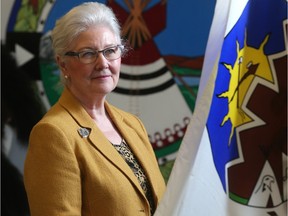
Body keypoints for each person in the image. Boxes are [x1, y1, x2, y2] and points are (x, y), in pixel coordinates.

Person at [24, 2, 166, 216]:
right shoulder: (53, 134)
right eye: (88, 54)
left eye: (110, 51)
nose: (103, 63)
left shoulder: (133, 125)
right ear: (63, 64)